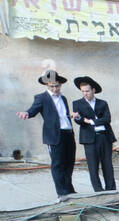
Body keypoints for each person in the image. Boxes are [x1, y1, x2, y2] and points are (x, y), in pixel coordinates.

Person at [17, 69, 77, 197]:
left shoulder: (63, 98)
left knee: (69, 162)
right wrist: (26, 113)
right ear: (47, 85)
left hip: (68, 133)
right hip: (54, 135)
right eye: (52, 86)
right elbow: (33, 109)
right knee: (58, 163)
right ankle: (62, 193)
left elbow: (63, 115)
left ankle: (69, 189)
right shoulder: (41, 98)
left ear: (60, 85)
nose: (55, 89)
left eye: (57, 86)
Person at [71, 76, 116, 192]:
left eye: (87, 91)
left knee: (107, 164)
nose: (85, 94)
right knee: (93, 166)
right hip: (90, 139)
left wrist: (90, 121)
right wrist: (80, 118)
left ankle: (111, 189)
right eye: (83, 91)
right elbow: (78, 120)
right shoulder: (77, 103)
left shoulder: (103, 103)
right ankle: (98, 190)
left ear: (93, 90)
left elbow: (107, 119)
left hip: (105, 137)